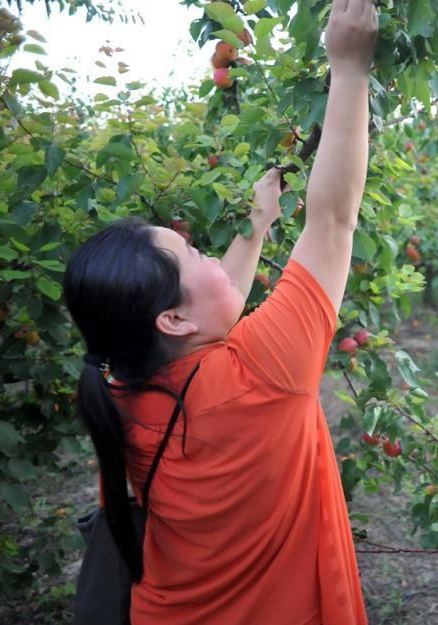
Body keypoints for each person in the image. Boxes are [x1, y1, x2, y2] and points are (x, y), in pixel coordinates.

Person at [63, 2, 378, 623]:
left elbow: (209, 319)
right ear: (172, 321)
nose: (211, 256)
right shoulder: (262, 374)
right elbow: (335, 220)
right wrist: (349, 69)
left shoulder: (122, 389)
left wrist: (256, 226)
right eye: (195, 252)